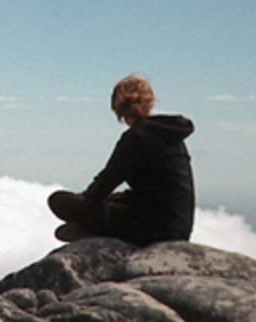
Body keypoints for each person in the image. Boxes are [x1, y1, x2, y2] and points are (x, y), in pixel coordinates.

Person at [48, 74, 195, 246]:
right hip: (179, 229)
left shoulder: (136, 137)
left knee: (58, 200)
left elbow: (105, 182)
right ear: (151, 102)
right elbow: (157, 191)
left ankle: (90, 229)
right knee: (114, 199)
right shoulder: (171, 134)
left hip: (154, 231)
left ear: (118, 108)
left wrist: (84, 203)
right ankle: (90, 226)